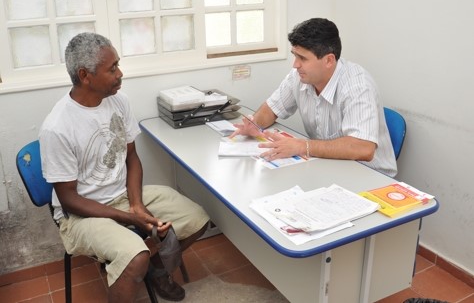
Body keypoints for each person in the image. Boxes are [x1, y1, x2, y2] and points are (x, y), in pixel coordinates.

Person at [39, 32, 210, 302]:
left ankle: (157, 270)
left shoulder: (119, 101)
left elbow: (131, 157)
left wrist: (137, 205)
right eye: (112, 68)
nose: (120, 73)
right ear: (85, 76)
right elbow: (69, 199)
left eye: (118, 64)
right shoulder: (58, 127)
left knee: (197, 218)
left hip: (123, 196)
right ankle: (143, 266)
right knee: (134, 256)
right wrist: (131, 218)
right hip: (82, 215)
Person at [230, 18, 397, 177]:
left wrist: (303, 146)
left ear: (329, 60)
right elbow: (271, 108)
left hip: (369, 177)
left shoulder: (357, 86)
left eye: (302, 58)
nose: (295, 64)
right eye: (295, 55)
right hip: (327, 167)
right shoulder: (300, 76)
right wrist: (256, 124)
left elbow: (363, 148)